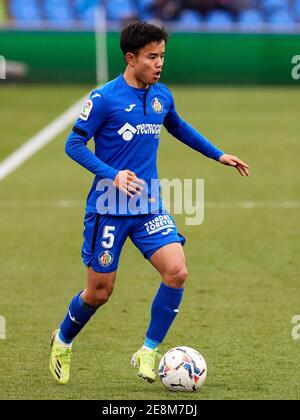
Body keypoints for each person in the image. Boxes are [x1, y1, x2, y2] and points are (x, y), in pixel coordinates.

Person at [49, 21, 249, 385]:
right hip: (108, 207)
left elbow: (178, 126)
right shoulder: (104, 99)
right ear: (131, 58)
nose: (159, 64)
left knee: (177, 271)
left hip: (148, 206)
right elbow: (73, 145)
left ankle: (148, 350)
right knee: (98, 293)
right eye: (152, 57)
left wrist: (218, 154)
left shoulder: (161, 95)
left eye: (162, 56)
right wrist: (112, 173)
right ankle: (62, 340)